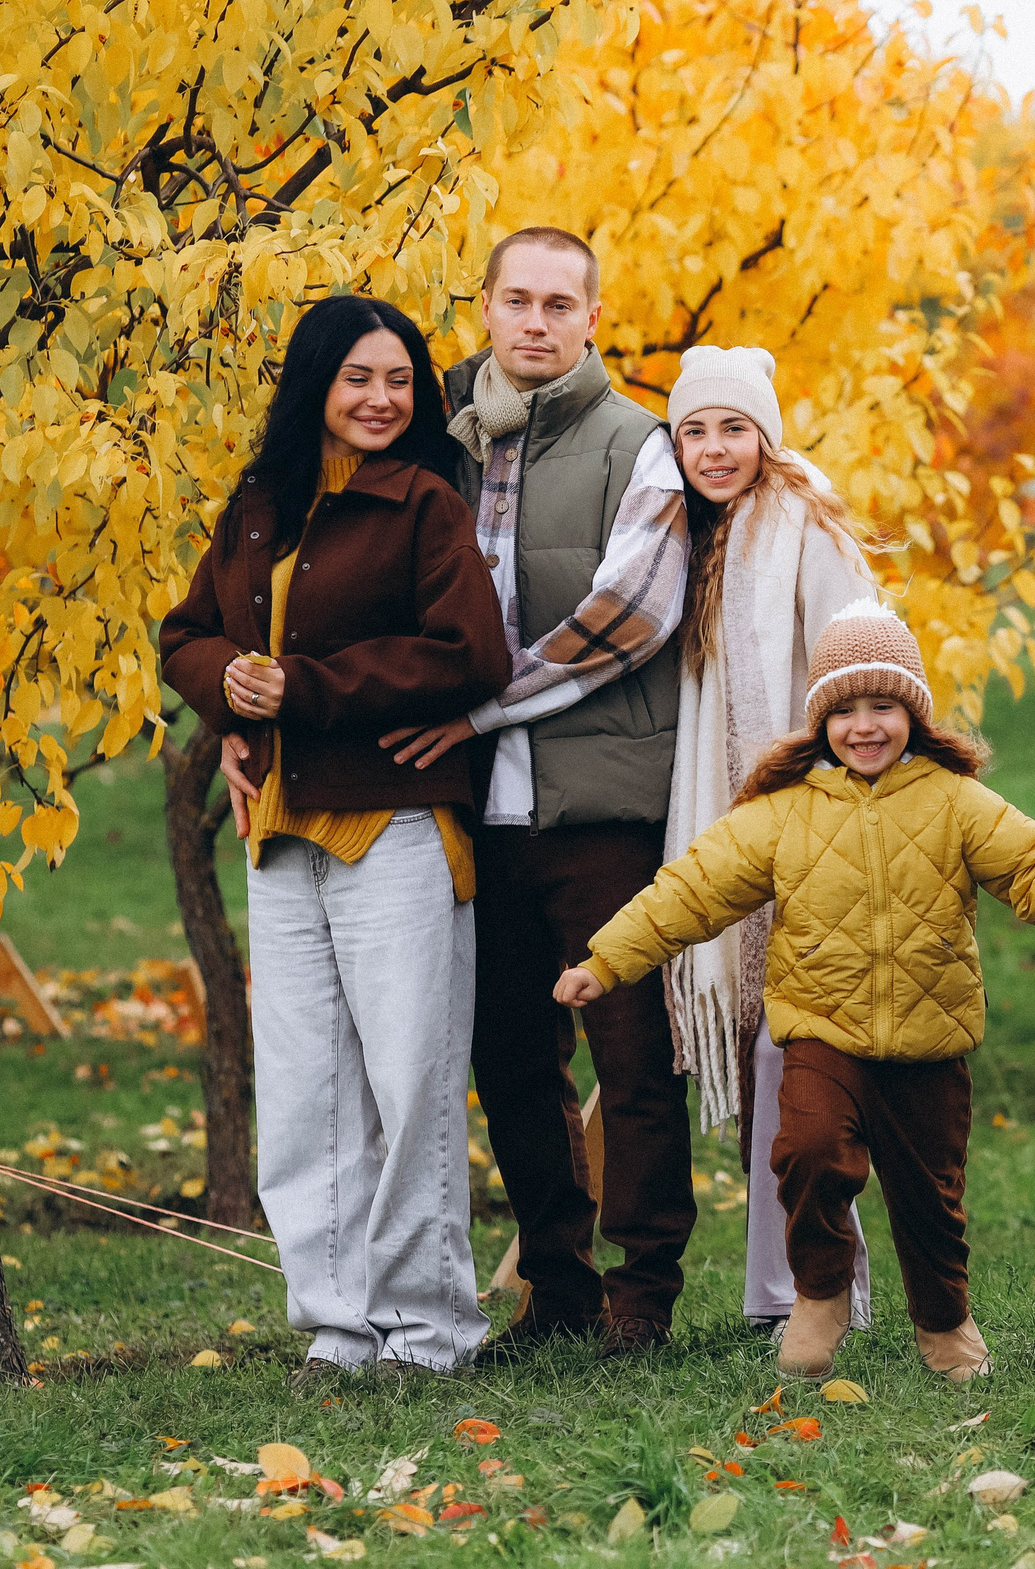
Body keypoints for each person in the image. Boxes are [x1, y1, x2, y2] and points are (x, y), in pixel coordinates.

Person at [556, 600, 1035, 1383]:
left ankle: (944, 1321)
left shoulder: (955, 802)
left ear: (914, 712)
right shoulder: (782, 815)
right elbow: (689, 892)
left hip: (929, 1040)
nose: (864, 726)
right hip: (821, 1032)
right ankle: (819, 1294)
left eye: (883, 705)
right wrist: (606, 961)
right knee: (805, 1154)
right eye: (844, 709)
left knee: (930, 1199)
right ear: (820, 723)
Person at [161, 295, 509, 1383]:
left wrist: (301, 688)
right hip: (278, 830)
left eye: (399, 379)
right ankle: (337, 1326)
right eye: (359, 377)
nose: (381, 398)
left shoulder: (427, 507)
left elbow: (471, 655)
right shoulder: (260, 504)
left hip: (396, 825)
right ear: (316, 384)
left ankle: (429, 1328)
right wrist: (227, 690)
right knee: (308, 1089)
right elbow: (186, 633)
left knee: (408, 1082)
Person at [380, 227, 696, 1359]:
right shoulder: (437, 446)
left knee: (632, 1052)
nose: (537, 323)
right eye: (518, 301)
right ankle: (554, 1289)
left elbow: (631, 618)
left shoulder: (637, 444)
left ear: (593, 320)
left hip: (599, 807)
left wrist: (468, 704)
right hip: (470, 811)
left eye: (561, 305)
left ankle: (641, 1293)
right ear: (485, 307)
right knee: (509, 1056)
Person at [658, 344, 878, 1337]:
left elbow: (854, 658)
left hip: (816, 819)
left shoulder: (803, 517)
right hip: (741, 833)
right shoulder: (698, 534)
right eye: (694, 429)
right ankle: (778, 1290)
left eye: (733, 427)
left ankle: (822, 1288)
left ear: (766, 435)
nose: (714, 447)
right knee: (764, 1055)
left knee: (806, 1056)